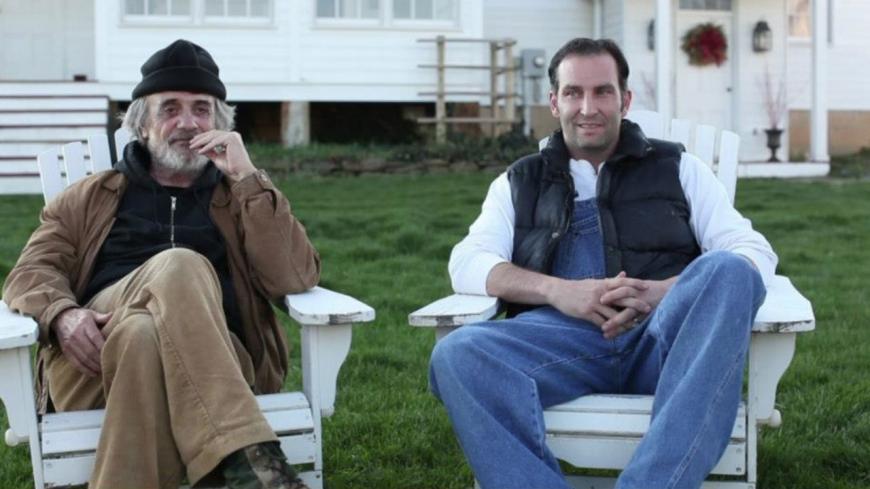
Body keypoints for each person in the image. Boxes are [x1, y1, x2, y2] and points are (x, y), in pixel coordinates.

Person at [428, 38, 777, 489]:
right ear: (554, 102)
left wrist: (662, 292)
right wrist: (559, 291)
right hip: (561, 343)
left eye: (602, 92)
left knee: (728, 269)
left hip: (663, 340)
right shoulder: (520, 182)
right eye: (573, 92)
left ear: (625, 100)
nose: (588, 108)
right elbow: (467, 261)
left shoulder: (678, 168)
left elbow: (753, 251)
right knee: (457, 354)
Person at [3, 39, 319, 489]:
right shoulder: (89, 197)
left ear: (219, 123)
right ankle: (247, 456)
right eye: (170, 108)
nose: (187, 122)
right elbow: (30, 272)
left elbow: (294, 277)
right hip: (90, 366)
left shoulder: (240, 198)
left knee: (143, 333)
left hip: (220, 363)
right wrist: (63, 314)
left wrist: (248, 179)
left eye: (202, 109)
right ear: (141, 124)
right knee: (179, 266)